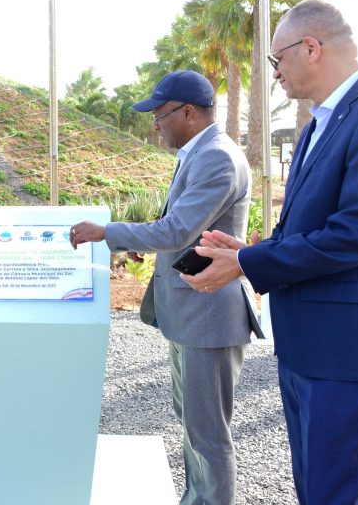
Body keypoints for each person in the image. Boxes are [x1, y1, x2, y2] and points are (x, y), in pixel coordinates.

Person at [182, 0, 358, 505]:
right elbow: (309, 228)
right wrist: (247, 252)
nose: (274, 73)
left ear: (311, 47)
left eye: (277, 59)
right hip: (307, 351)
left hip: (348, 358)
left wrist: (248, 263)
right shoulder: (319, 123)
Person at [70, 70, 263, 505]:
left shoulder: (216, 156)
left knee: (208, 435)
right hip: (193, 313)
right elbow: (185, 232)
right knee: (194, 426)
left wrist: (108, 232)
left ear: (188, 112)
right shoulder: (200, 153)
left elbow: (177, 230)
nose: (156, 125)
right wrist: (146, 247)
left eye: (160, 115)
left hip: (208, 315)